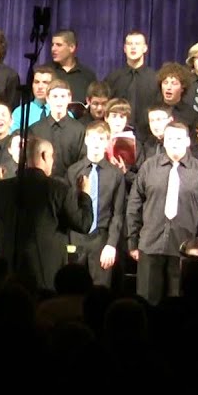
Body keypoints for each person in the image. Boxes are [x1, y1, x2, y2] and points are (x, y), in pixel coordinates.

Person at [0, 136, 94, 291]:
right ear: (44, 155)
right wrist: (84, 195)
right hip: (46, 273)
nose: (53, 161)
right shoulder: (59, 190)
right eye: (52, 156)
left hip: (9, 270)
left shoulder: (2, 187)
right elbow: (83, 224)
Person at [125, 122, 198, 304]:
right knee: (147, 302)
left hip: (185, 249)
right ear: (164, 141)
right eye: (170, 138)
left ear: (188, 141)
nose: (174, 142)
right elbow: (134, 206)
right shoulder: (149, 167)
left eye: (179, 138)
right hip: (150, 246)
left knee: (179, 304)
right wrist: (133, 242)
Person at [66, 122, 128, 287]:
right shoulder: (74, 171)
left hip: (101, 239)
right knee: (73, 287)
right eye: (92, 138)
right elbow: (69, 209)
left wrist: (111, 244)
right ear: (86, 140)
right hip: (77, 237)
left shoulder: (115, 174)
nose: (96, 143)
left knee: (100, 289)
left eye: (101, 139)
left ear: (107, 142)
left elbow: (118, 213)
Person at [27, 79, 85, 178]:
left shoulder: (79, 130)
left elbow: (82, 163)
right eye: (55, 96)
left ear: (69, 98)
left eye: (63, 96)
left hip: (69, 188)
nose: (59, 101)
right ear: (48, 99)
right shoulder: (35, 129)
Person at [49, 29, 97, 104]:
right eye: (52, 45)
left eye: (59, 45)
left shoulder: (87, 75)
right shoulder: (47, 72)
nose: (53, 49)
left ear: (72, 47)